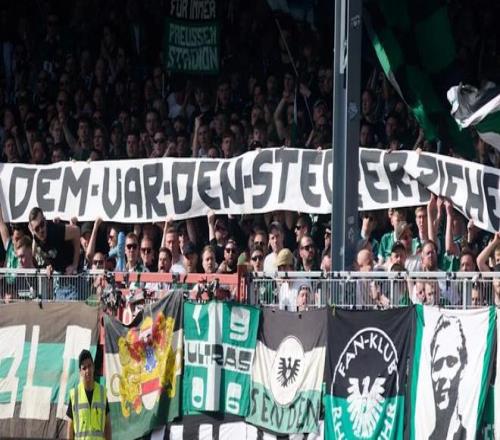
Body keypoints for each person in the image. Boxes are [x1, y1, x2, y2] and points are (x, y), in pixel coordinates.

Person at [429, 315, 467, 440]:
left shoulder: (468, 434)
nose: (443, 375)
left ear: (463, 368)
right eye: (437, 365)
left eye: (451, 362)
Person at [67, 349, 111, 440]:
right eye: (84, 368)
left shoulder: (102, 393)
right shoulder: (74, 395)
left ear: (93, 367)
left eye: (89, 366)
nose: (88, 370)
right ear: (80, 372)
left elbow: (107, 425)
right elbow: (70, 428)